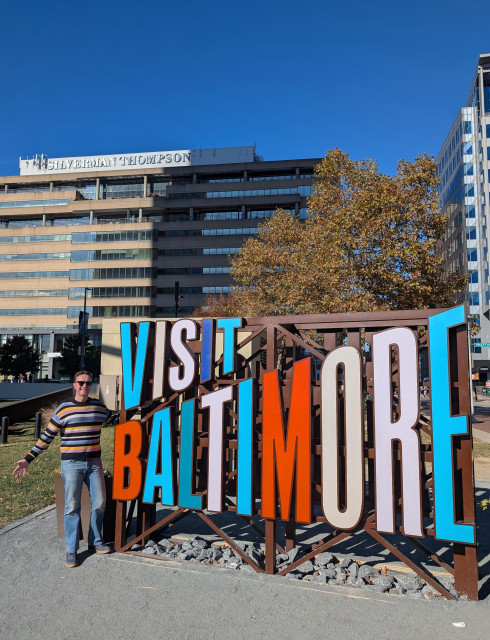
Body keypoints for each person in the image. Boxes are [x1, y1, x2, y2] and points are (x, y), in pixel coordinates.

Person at [13, 370, 112, 568]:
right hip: (71, 464)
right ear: (74, 385)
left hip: (94, 464)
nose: (84, 386)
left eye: (88, 383)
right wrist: (27, 459)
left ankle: (95, 541)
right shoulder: (64, 408)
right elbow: (46, 437)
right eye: (81, 383)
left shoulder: (99, 407)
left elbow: (115, 419)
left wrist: (141, 407)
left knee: (100, 502)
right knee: (71, 507)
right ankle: (71, 550)